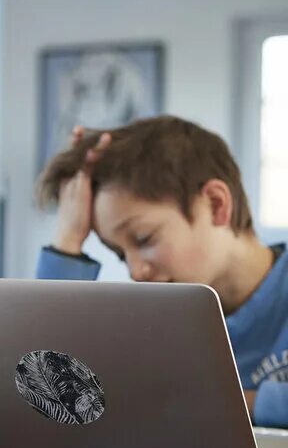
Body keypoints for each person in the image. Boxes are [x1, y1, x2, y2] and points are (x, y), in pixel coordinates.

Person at [35, 115, 288, 427]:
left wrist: (226, 402)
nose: (135, 272)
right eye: (118, 254)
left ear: (215, 204)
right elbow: (48, 393)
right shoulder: (157, 314)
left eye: (144, 239)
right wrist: (68, 241)